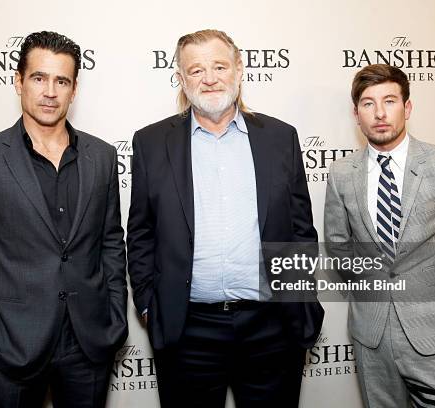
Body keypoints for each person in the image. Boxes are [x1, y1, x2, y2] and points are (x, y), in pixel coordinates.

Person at [127, 29, 324, 408]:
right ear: (181, 80)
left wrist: (299, 295)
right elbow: (141, 233)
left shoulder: (281, 137)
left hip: (272, 325)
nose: (210, 78)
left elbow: (301, 227)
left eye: (219, 66)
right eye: (196, 70)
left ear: (239, 70)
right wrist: (151, 305)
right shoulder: (150, 143)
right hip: (188, 331)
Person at [0, 31, 127, 408]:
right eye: (39, 78)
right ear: (18, 82)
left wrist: (114, 317)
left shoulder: (103, 156)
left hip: (88, 342)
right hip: (10, 344)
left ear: (74, 89)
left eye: (61, 81)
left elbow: (111, 242)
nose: (50, 91)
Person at [324, 63, 435, 407]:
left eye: (390, 100)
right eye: (368, 104)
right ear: (357, 114)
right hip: (372, 337)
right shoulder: (341, 174)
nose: (380, 113)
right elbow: (339, 248)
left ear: (407, 107)